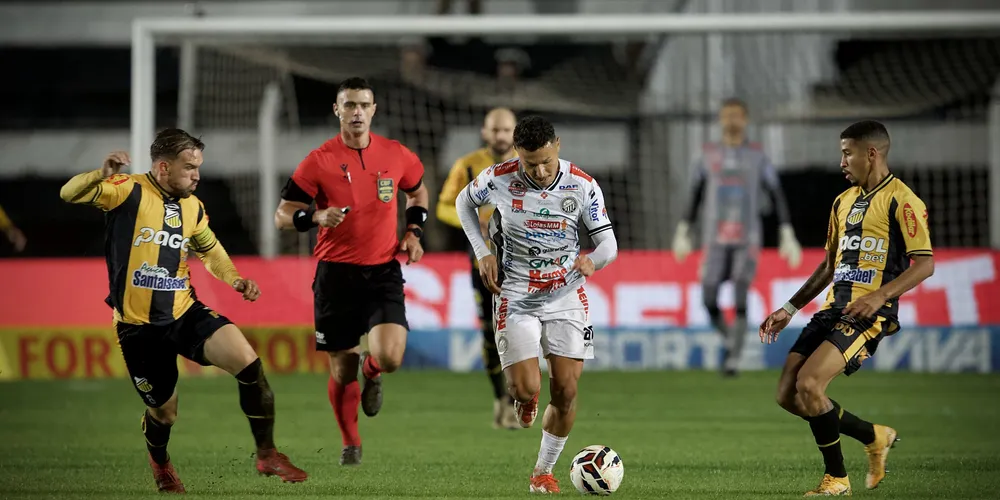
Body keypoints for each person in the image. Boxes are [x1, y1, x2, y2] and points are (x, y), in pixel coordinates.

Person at [58, 129, 307, 493]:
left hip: (184, 312)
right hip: (139, 328)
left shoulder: (193, 206)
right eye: (189, 167)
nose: (197, 175)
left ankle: (266, 453)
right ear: (163, 167)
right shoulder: (127, 189)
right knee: (165, 413)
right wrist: (100, 174)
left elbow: (210, 250)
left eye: (198, 167)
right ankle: (159, 461)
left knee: (248, 362)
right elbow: (68, 193)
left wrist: (235, 279)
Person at [760, 120, 934, 496]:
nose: (842, 161)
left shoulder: (903, 201)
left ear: (871, 154)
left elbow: (925, 263)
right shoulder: (842, 202)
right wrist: (790, 307)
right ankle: (874, 435)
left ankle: (836, 479)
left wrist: (879, 296)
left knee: (810, 384)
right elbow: (828, 265)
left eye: (847, 153)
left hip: (868, 314)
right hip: (830, 310)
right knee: (788, 395)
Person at [455, 115, 618, 494]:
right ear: (517, 153)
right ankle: (524, 399)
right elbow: (464, 202)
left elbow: (608, 242)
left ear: (557, 145)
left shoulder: (583, 185)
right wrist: (482, 252)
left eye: (545, 160)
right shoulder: (498, 177)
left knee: (566, 392)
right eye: (530, 163)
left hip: (566, 296)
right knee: (526, 389)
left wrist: (594, 260)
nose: (540, 171)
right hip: (515, 296)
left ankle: (542, 472)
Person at [274, 77, 429, 467]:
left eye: (363, 104)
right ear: (337, 110)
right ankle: (351, 442)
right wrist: (315, 216)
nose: (357, 112)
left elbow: (418, 191)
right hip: (336, 276)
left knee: (390, 356)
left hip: (382, 271)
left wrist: (412, 231)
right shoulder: (318, 160)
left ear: (373, 110)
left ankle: (372, 370)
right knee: (342, 373)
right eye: (349, 105)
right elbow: (283, 216)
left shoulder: (396, 155)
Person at [673, 97, 802, 377]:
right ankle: (731, 339)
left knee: (741, 294)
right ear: (721, 119)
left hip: (747, 237)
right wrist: (684, 229)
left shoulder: (757, 156)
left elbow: (775, 193)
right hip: (714, 238)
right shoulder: (707, 155)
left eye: (737, 115)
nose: (732, 120)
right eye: (727, 115)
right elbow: (695, 194)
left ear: (745, 120)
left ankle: (732, 359)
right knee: (708, 297)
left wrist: (786, 230)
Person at [436, 107, 520, 430]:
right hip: (484, 262)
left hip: (523, 263)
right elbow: (445, 206)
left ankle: (520, 398)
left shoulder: (528, 164)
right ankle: (502, 399)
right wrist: (476, 222)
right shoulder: (468, 165)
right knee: (491, 332)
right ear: (485, 133)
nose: (500, 136)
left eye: (506, 130)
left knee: (522, 332)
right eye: (494, 130)